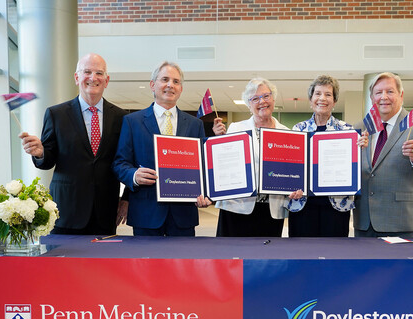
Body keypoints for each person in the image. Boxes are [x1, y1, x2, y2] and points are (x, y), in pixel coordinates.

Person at [19, 53, 128, 235]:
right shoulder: (56, 114)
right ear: (77, 78)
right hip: (65, 212)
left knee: (102, 264)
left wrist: (126, 198)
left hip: (105, 212)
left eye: (99, 73)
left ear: (107, 80)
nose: (93, 78)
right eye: (87, 72)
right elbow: (48, 161)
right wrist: (40, 153)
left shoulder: (122, 118)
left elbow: (128, 161)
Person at [112, 61, 210, 236]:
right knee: (146, 263)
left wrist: (207, 192)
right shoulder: (132, 122)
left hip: (183, 215)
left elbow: (204, 167)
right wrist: (134, 175)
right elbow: (120, 163)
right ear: (152, 85)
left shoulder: (195, 125)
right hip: (146, 214)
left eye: (176, 81)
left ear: (181, 89)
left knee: (182, 263)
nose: (170, 85)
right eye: (165, 79)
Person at [353, 72, 413, 237]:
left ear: (401, 95)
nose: (384, 97)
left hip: (404, 220)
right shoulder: (361, 126)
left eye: (390, 91)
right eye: (378, 92)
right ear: (372, 98)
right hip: (365, 221)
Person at [286, 75, 369, 237]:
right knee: (302, 255)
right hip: (302, 204)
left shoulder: (347, 131)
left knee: (334, 254)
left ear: (334, 101)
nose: (322, 98)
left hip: (336, 206)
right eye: (317, 94)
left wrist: (362, 149)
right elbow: (290, 166)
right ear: (310, 100)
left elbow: (355, 167)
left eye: (328, 94)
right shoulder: (298, 129)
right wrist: (290, 186)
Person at [212, 78, 289, 237]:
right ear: (248, 104)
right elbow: (223, 165)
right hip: (237, 207)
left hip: (271, 210)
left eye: (266, 96)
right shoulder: (236, 128)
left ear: (273, 99)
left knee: (266, 259)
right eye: (255, 98)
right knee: (232, 256)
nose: (262, 102)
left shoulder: (287, 133)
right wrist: (218, 140)